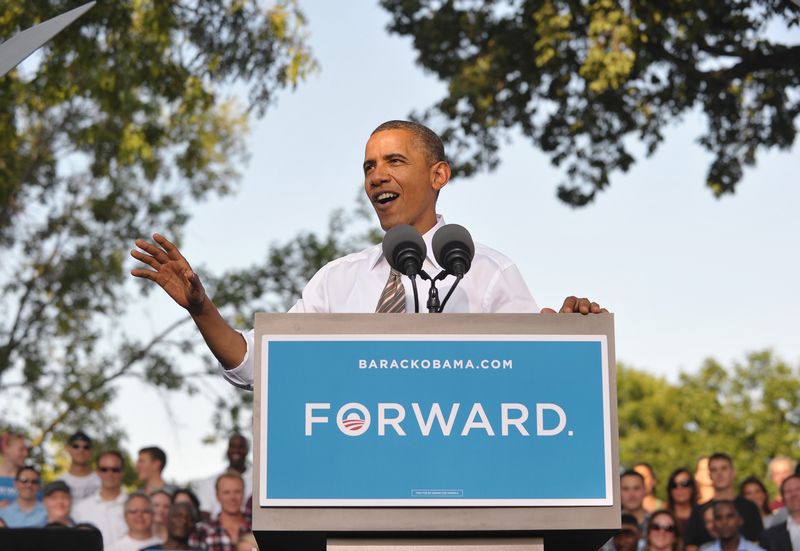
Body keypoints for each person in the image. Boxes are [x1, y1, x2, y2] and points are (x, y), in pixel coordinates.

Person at [130, 120, 608, 391]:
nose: (377, 175)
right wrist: (201, 308)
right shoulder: (337, 282)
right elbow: (258, 367)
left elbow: (526, 379)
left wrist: (563, 341)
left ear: (438, 175)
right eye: (368, 167)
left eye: (394, 161)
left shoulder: (486, 272)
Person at [685, 453, 764, 551]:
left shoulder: (750, 508)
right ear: (709, 475)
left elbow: (757, 542)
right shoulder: (699, 511)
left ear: (733, 472)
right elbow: (691, 546)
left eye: (724, 468)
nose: (719, 474)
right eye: (714, 470)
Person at [73, 450, 128, 549]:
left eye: (115, 469)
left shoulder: (136, 509)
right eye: (104, 469)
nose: (109, 474)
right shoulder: (80, 508)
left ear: (122, 472)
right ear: (97, 472)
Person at [192, 434, 251, 519]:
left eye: (241, 447)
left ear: (247, 451)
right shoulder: (209, 482)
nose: (236, 450)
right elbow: (204, 514)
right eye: (232, 446)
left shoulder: (259, 483)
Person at [191, 472, 250, 551]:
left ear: (243, 494)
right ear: (217, 496)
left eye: (237, 492)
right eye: (226, 492)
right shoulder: (201, 531)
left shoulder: (256, 528)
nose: (232, 497)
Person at [760, 474, 800, 551]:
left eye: (798, 489)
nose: (794, 494)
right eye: (788, 491)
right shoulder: (769, 537)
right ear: (783, 499)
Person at [59, 431, 102, 501]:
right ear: (67, 448)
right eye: (76, 446)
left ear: (92, 451)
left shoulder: (102, 481)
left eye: (86, 447)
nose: (81, 450)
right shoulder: (59, 482)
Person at [666, 467, 698, 537]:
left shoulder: (702, 516)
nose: (679, 489)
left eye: (685, 484)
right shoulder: (664, 518)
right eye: (674, 485)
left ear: (692, 487)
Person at [0, 431, 28, 508]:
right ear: (6, 449)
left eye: (26, 450)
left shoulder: (31, 480)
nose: (25, 454)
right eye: (21, 449)